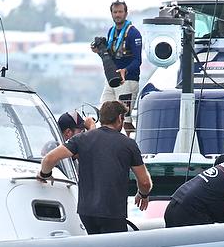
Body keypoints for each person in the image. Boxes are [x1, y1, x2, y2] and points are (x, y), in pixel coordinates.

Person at [38, 100, 152, 235]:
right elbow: (145, 182)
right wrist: (143, 194)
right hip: (112, 213)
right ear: (120, 118)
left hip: (87, 213)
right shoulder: (128, 144)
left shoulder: (81, 139)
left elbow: (49, 159)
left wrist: (44, 174)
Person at [93, 0, 142, 133]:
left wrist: (125, 71)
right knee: (104, 113)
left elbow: (138, 60)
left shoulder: (133, 33)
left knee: (125, 119)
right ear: (111, 14)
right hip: (112, 79)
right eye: (115, 12)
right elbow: (111, 56)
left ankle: (132, 146)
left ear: (126, 13)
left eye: (120, 12)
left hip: (128, 80)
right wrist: (99, 52)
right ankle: (106, 143)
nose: (118, 15)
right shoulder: (111, 32)